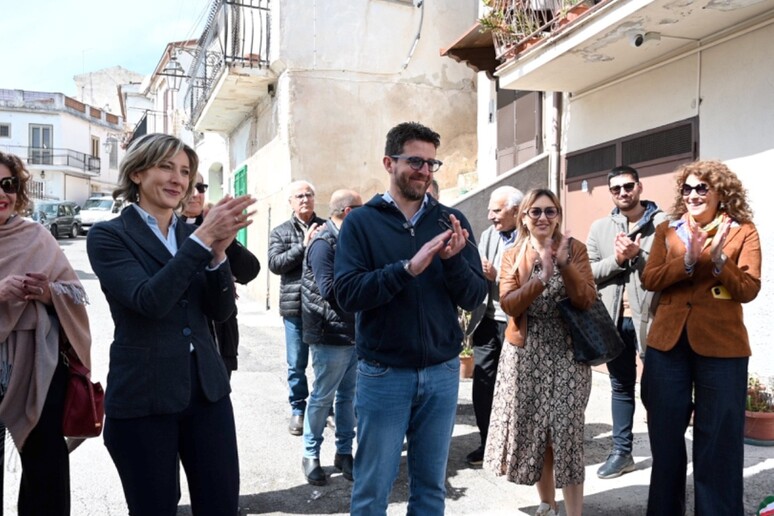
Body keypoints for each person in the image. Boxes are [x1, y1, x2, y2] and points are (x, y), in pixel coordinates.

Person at [87, 133, 255, 514]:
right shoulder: (109, 236)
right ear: (137, 173)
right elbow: (149, 301)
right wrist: (203, 239)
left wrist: (218, 255)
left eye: (185, 171)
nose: (179, 179)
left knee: (220, 504)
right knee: (154, 507)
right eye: (166, 166)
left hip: (207, 391)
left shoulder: (189, 234)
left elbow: (220, 311)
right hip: (144, 397)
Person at [334, 121, 487, 515]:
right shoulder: (361, 222)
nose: (424, 170)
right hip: (384, 374)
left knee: (430, 490)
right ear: (390, 162)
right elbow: (347, 294)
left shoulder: (451, 221)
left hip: (441, 371)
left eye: (431, 163)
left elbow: (474, 296)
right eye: (415, 160)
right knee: (372, 491)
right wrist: (406, 269)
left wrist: (452, 263)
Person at [641, 160, 761, 515]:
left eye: (702, 188)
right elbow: (651, 278)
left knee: (719, 442)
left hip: (723, 347)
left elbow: (749, 289)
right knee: (664, 440)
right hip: (667, 344)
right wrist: (689, 261)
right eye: (687, 189)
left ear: (721, 192)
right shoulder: (667, 230)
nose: (693, 195)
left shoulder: (743, 231)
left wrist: (720, 260)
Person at [484, 188, 596, 516]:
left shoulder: (575, 249)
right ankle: (547, 504)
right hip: (526, 354)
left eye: (550, 211)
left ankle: (574, 513)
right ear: (524, 217)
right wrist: (541, 279)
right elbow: (508, 303)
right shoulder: (513, 254)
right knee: (539, 434)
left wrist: (565, 266)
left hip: (569, 353)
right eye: (536, 212)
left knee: (567, 434)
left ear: (558, 215)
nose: (543, 218)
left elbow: (586, 299)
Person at [0, 151, 92, 515]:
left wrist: (48, 292)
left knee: (45, 467)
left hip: (38, 366)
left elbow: (74, 292)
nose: (2, 193)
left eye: (8, 184)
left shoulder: (35, 235)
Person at [586, 165, 666, 479]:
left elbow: (672, 270)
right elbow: (589, 272)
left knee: (659, 387)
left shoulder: (663, 224)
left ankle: (666, 449)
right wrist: (619, 260)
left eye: (628, 186)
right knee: (620, 387)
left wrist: (639, 256)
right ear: (611, 193)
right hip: (614, 321)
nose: (623, 193)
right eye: (616, 188)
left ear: (640, 187)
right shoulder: (600, 228)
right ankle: (622, 451)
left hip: (653, 319)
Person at [300, 189, 362, 486]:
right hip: (330, 334)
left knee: (348, 398)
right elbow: (329, 290)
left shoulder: (350, 239)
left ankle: (344, 452)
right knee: (322, 397)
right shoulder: (323, 243)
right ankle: (310, 454)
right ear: (349, 212)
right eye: (362, 210)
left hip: (353, 332)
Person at [465, 185, 524, 466]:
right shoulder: (488, 236)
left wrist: (497, 275)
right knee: (484, 381)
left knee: (516, 385)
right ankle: (488, 442)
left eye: (497, 210)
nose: (490, 216)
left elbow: (534, 282)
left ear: (516, 211)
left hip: (515, 321)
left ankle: (517, 446)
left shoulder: (530, 237)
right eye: (490, 209)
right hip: (487, 320)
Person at [181, 173, 261, 378]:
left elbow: (249, 271)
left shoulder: (214, 223)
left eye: (201, 187)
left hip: (220, 339)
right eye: (190, 186)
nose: (195, 194)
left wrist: (226, 242)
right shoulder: (167, 230)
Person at [268, 181, 325, 435]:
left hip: (324, 307)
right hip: (294, 308)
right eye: (299, 196)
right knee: (296, 364)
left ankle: (325, 407)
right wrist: (303, 245)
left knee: (325, 361)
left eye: (309, 195)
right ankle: (298, 409)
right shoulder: (280, 232)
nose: (305, 199)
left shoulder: (326, 227)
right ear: (290, 201)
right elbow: (275, 263)